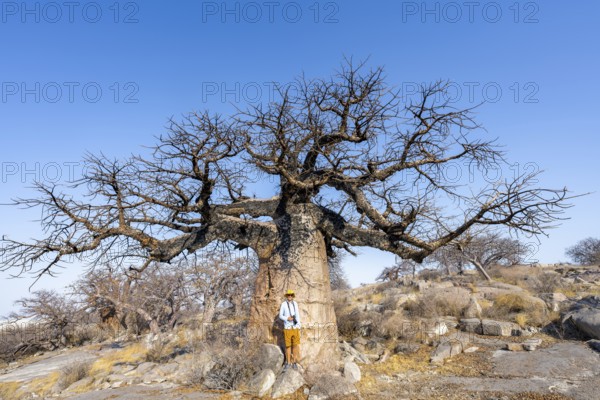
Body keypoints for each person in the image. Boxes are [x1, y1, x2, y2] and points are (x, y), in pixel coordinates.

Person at [278, 289, 301, 370]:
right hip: (287, 327)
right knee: (288, 346)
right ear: (286, 296)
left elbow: (297, 315)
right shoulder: (283, 304)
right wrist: (287, 318)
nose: (290, 296)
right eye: (288, 295)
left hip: (295, 327)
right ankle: (288, 362)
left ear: (293, 296)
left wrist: (298, 325)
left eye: (291, 295)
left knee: (295, 345)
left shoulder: (295, 304)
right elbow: (280, 316)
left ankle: (294, 362)